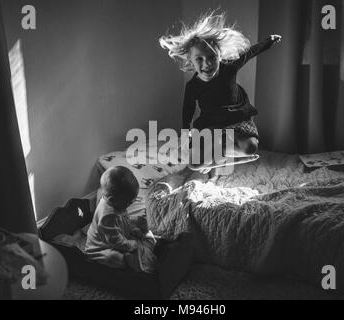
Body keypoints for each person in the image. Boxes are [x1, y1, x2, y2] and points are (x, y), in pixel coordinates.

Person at [159, 10, 281, 172]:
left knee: (250, 148)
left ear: (220, 56)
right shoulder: (193, 86)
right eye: (199, 59)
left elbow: (250, 52)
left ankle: (222, 151)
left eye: (211, 57)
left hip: (237, 120)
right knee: (194, 165)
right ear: (191, 61)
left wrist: (269, 41)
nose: (207, 64)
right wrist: (184, 132)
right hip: (211, 125)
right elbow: (187, 110)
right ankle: (217, 152)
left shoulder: (229, 68)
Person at [85, 166, 156, 273]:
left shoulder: (117, 204)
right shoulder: (107, 216)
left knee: (141, 234)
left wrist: (133, 225)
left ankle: (134, 252)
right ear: (112, 199)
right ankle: (130, 262)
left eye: (132, 200)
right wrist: (132, 244)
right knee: (113, 258)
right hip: (101, 247)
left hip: (114, 236)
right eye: (128, 202)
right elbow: (115, 242)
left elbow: (123, 219)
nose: (130, 204)